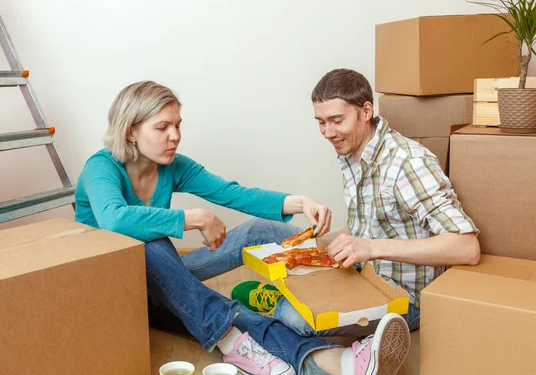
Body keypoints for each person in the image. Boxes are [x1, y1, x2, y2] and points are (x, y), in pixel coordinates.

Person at [74, 80, 412, 375]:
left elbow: (233, 193)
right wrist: (195, 218)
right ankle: (321, 357)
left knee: (260, 232)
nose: (174, 136)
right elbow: (114, 219)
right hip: (117, 292)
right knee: (155, 247)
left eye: (178, 125)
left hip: (166, 276)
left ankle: (337, 326)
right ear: (131, 131)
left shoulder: (171, 166)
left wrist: (300, 202)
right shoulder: (100, 168)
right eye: (162, 128)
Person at [269, 68, 481, 339]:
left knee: (289, 315)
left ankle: (352, 360)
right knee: (266, 236)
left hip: (405, 299)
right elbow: (374, 226)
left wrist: (369, 248)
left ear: (366, 111)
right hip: (363, 276)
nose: (327, 132)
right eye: (321, 122)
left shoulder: (407, 163)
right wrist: (327, 243)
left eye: (337, 120)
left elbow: (466, 247)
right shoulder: (352, 154)